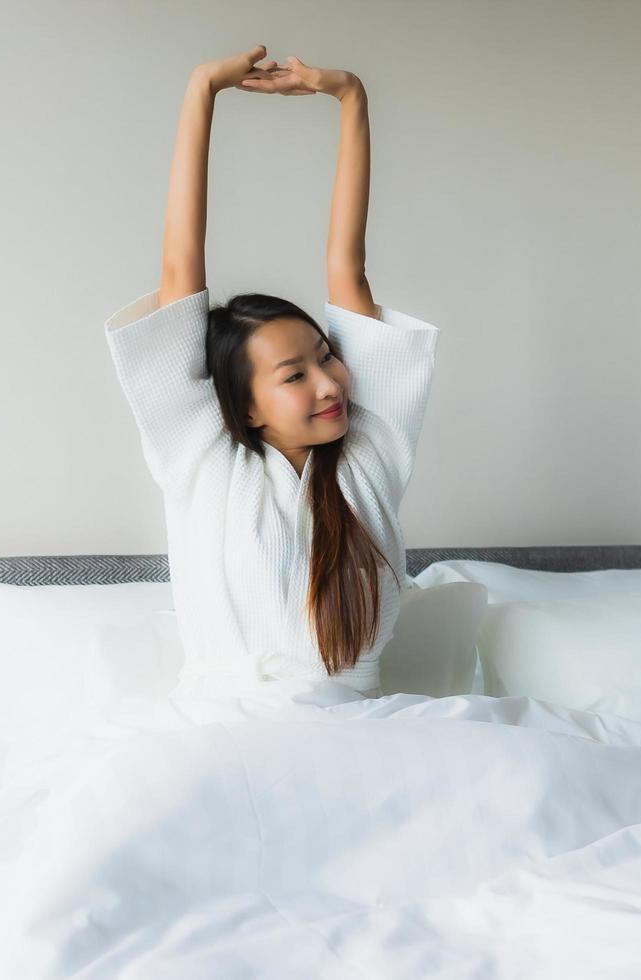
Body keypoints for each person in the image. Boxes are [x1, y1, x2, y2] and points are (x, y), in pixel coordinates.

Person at [103, 46, 440, 700]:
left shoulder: (376, 446)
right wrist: (202, 89)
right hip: (222, 733)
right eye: (294, 375)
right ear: (247, 406)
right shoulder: (200, 456)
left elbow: (349, 270)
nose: (330, 383)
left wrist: (352, 99)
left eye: (325, 355)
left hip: (369, 735)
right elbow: (179, 271)